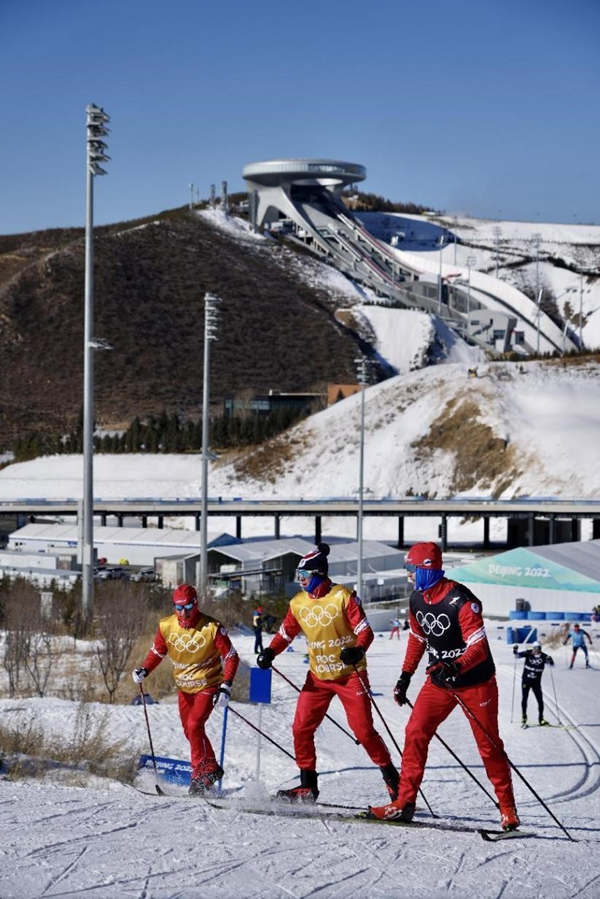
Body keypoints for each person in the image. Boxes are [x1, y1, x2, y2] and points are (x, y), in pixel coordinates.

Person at [367, 541, 520, 832]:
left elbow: (478, 647)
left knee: (488, 747)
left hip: (476, 682)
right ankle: (404, 803)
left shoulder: (462, 601)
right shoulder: (417, 599)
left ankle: (507, 809)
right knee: (415, 732)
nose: (408, 576)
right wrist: (405, 677)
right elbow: (417, 638)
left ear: (427, 569)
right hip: (440, 681)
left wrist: (457, 666)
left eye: (411, 570)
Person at [256, 542, 399, 803]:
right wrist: (271, 651)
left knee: (364, 731)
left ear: (319, 574)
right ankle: (307, 786)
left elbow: (365, 631)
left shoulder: (343, 596)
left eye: (305, 576)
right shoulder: (298, 603)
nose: (300, 581)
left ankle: (393, 781)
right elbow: (286, 633)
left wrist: (357, 650)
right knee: (301, 728)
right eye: (298, 576)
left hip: (349, 675)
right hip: (318, 678)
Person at [132, 584, 239, 795]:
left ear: (196, 604)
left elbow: (231, 656)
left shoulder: (212, 627)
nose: (183, 612)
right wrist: (145, 670)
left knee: (194, 724)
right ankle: (211, 768)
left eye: (188, 607)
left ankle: (200, 774)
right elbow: (158, 651)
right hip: (184, 688)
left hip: (208, 685)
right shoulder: (166, 625)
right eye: (178, 607)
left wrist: (226, 685)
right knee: (190, 731)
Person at [513, 641, 554, 727]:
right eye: (534, 648)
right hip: (526, 681)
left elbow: (552, 664)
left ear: (540, 649)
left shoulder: (543, 656)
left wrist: (550, 660)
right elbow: (517, 656)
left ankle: (541, 719)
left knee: (540, 701)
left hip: (536, 683)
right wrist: (515, 650)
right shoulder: (528, 653)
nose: (535, 650)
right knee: (524, 699)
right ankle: (524, 717)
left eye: (538, 648)